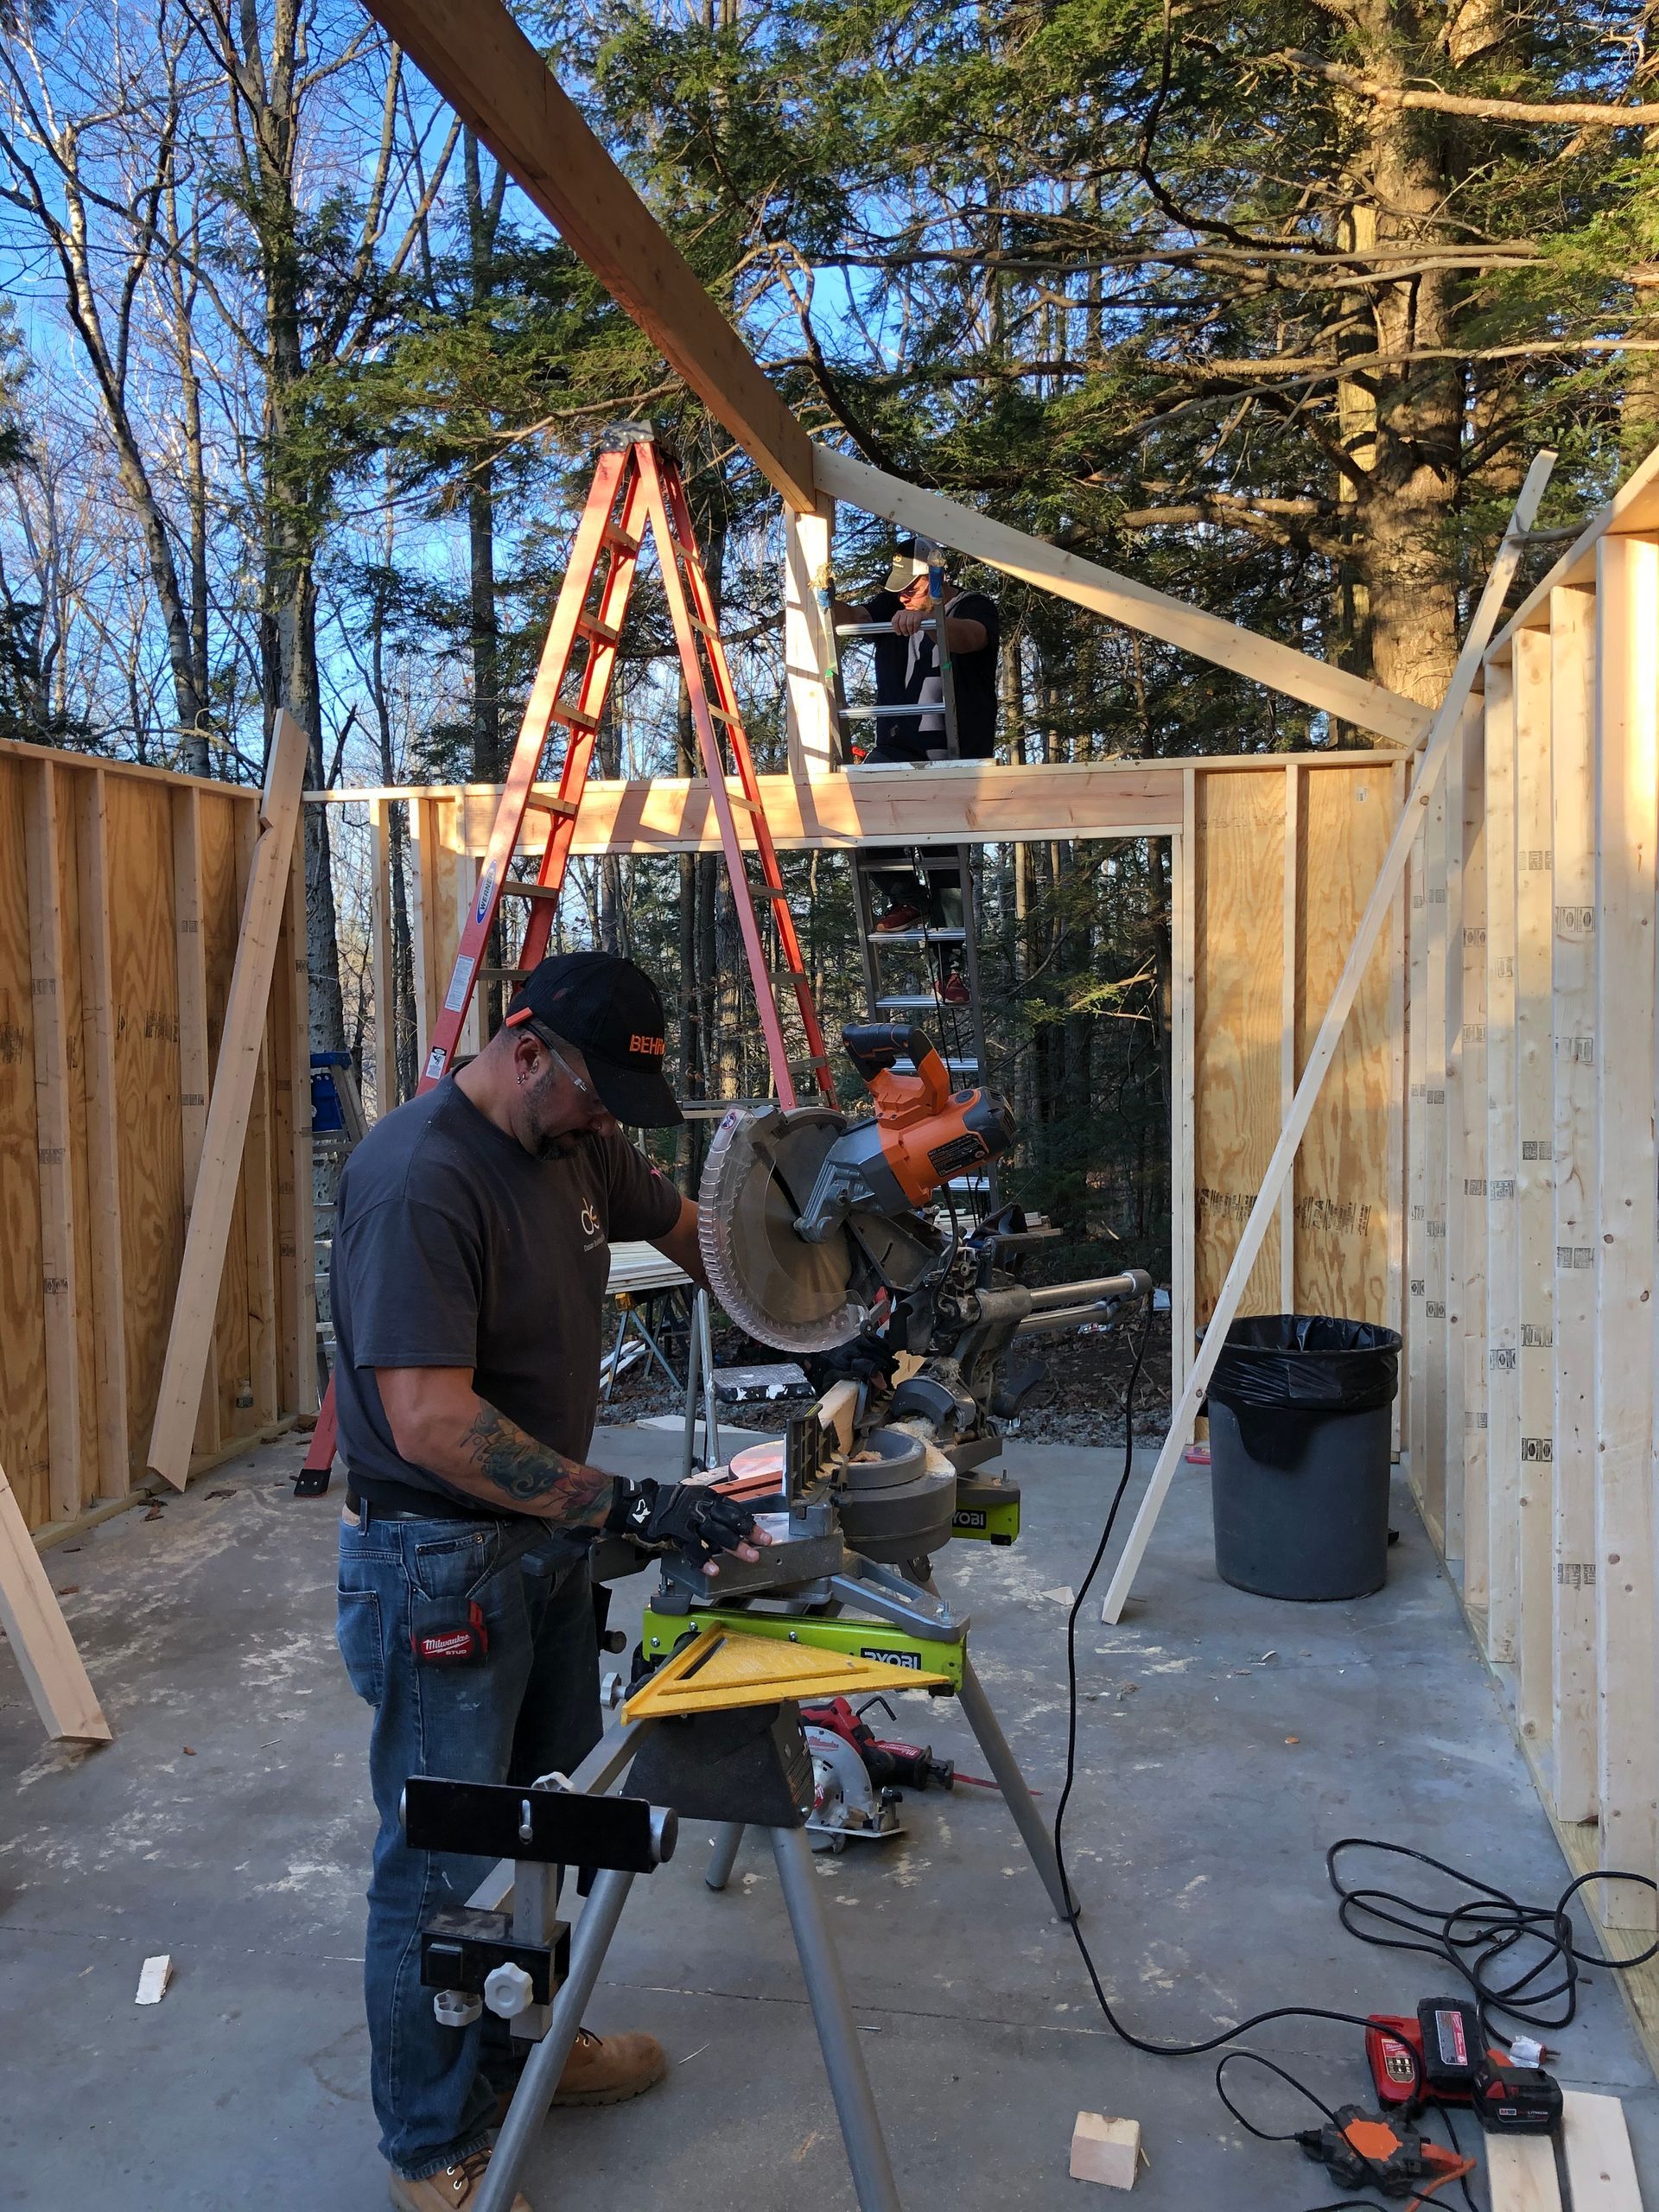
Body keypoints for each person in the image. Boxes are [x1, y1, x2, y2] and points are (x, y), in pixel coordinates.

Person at [329, 949, 766, 2212]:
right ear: (526, 1049)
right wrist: (622, 1501)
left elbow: (700, 1240)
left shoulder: (575, 1143)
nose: (601, 1131)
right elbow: (425, 1420)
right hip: (438, 1561)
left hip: (538, 1543)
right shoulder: (421, 1180)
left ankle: (529, 2043)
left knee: (546, 1810)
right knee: (441, 1859)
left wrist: (808, 1306)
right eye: (587, 1099)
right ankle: (432, 2148)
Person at [832, 543, 1001, 1005]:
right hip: (895, 749)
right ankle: (907, 897)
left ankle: (951, 970)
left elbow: (970, 636)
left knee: (948, 869)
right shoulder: (894, 605)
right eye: (898, 589)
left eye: (915, 585)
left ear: (940, 576)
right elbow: (855, 617)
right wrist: (824, 598)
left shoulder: (973, 605)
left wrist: (932, 623)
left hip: (954, 759)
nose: (904, 596)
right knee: (857, 815)